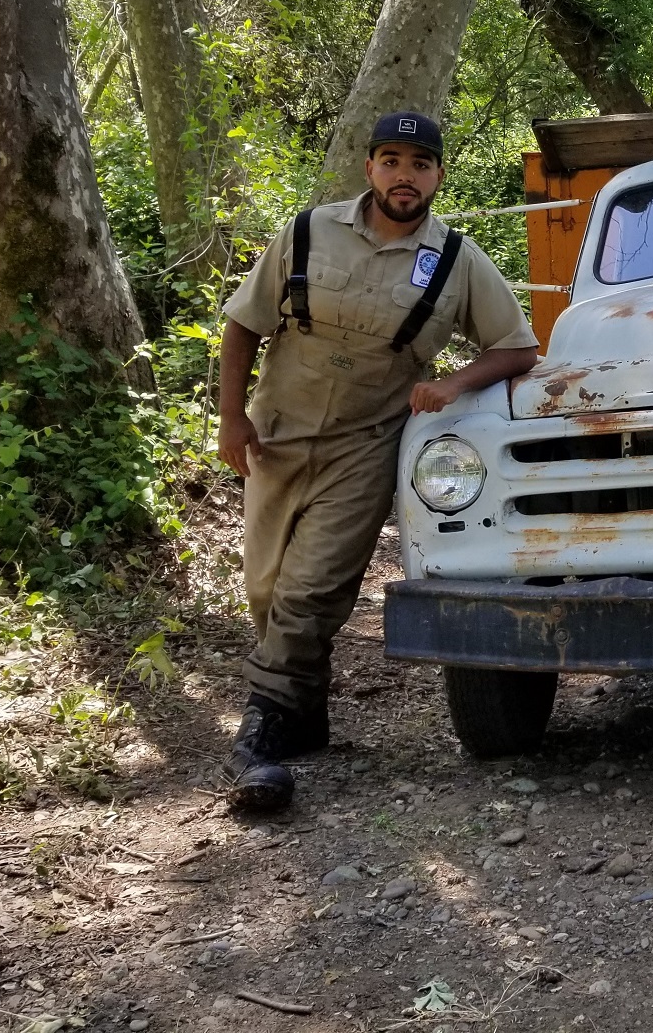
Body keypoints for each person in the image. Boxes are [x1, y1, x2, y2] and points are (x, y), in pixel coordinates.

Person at [215, 112, 540, 811]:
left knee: (310, 590)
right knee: (265, 591)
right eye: (391, 161)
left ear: (438, 176)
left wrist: (454, 384)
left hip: (366, 446)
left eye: (420, 163)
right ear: (369, 169)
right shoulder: (307, 232)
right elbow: (243, 323)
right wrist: (230, 417)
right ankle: (304, 715)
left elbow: (518, 348)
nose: (404, 176)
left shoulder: (456, 259)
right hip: (276, 436)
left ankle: (260, 735)